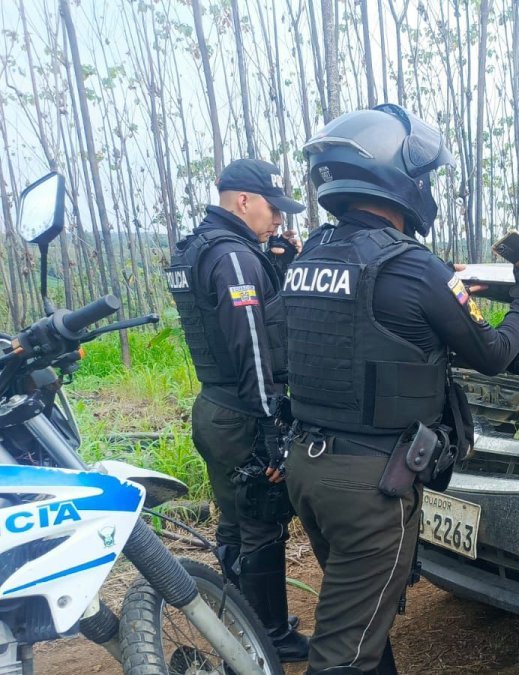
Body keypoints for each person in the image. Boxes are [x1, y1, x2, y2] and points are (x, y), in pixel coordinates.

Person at [281, 105, 519, 675]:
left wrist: (441, 285)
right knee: (343, 655)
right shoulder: (414, 267)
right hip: (372, 487)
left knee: (364, 615)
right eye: (424, 176)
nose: (427, 187)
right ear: (398, 177)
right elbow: (494, 354)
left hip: (308, 466)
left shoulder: (310, 256)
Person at [164, 158, 310, 662]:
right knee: (262, 522)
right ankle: (269, 638)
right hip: (243, 413)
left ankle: (240, 627)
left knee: (233, 523)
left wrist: (274, 261)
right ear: (243, 200)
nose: (278, 220)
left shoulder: (198, 247)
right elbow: (252, 345)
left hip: (215, 405)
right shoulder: (233, 258)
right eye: (273, 208)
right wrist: (271, 426)